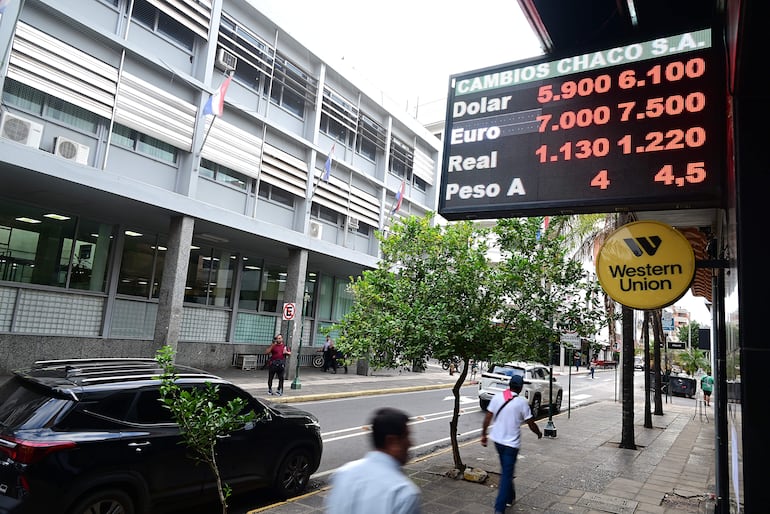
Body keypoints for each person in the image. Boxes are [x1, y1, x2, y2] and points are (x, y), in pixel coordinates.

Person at [325, 407, 421, 514]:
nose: (411, 443)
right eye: (406, 437)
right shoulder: (403, 493)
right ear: (391, 441)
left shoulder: (343, 474)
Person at [481, 374, 542, 514]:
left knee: (506, 470)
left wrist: (484, 434)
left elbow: (488, 417)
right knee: (506, 475)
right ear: (520, 388)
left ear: (509, 385)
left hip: (497, 442)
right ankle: (499, 508)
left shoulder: (498, 397)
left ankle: (510, 496)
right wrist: (538, 433)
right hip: (511, 445)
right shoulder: (521, 402)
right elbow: (530, 422)